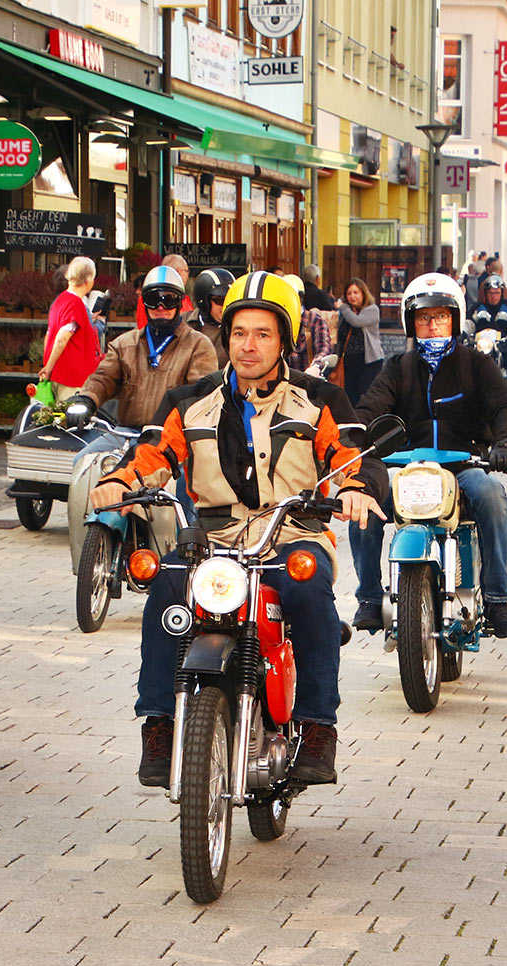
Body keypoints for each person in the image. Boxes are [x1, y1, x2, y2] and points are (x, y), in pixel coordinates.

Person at [88, 271, 387, 788]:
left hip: (291, 534)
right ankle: (158, 723)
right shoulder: (189, 400)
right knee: (164, 584)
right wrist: (119, 481)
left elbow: (352, 456)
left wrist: (356, 488)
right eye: (239, 332)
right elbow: (152, 452)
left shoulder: (319, 401)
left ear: (285, 341)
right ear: (225, 335)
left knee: (310, 588)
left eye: (263, 334)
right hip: (212, 542)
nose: (248, 346)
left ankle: (318, 727)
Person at [350, 273, 507, 639]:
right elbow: (369, 409)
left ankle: (497, 598)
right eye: (423, 318)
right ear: (410, 323)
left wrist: (505, 443)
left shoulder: (477, 364)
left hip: (464, 464)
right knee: (361, 502)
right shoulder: (396, 368)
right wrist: (352, 440)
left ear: (455, 319)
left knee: (492, 497)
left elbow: (504, 407)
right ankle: (368, 597)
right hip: (405, 465)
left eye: (441, 317)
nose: (432, 325)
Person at [68, 265, 218, 432]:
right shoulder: (124, 344)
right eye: (153, 299)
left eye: (169, 300)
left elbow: (200, 397)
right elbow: (104, 378)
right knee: (84, 457)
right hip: (127, 433)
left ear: (179, 303)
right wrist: (87, 399)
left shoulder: (199, 346)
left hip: (172, 439)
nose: (160, 307)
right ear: (143, 302)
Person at [39, 256, 103, 399]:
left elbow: (49, 335)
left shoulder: (59, 301)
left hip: (58, 374)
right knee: (73, 419)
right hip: (72, 378)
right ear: (89, 281)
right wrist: (48, 367)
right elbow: (62, 337)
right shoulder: (75, 304)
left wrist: (48, 365)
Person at [335, 277, 392, 407]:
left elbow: (357, 321)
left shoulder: (372, 310)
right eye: (349, 293)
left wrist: (343, 307)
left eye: (356, 292)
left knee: (366, 397)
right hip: (349, 361)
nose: (352, 296)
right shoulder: (346, 312)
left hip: (369, 362)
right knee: (350, 396)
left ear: (363, 293)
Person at [188, 267, 235, 366]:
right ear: (204, 301)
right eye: (220, 300)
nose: (226, 305)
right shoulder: (183, 325)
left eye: (230, 299)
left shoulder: (237, 330)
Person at [472, 274, 507, 340]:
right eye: (490, 293)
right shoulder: (476, 308)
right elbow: (469, 324)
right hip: (481, 344)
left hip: (506, 345)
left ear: (502, 293)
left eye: (497, 293)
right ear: (485, 293)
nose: (494, 296)